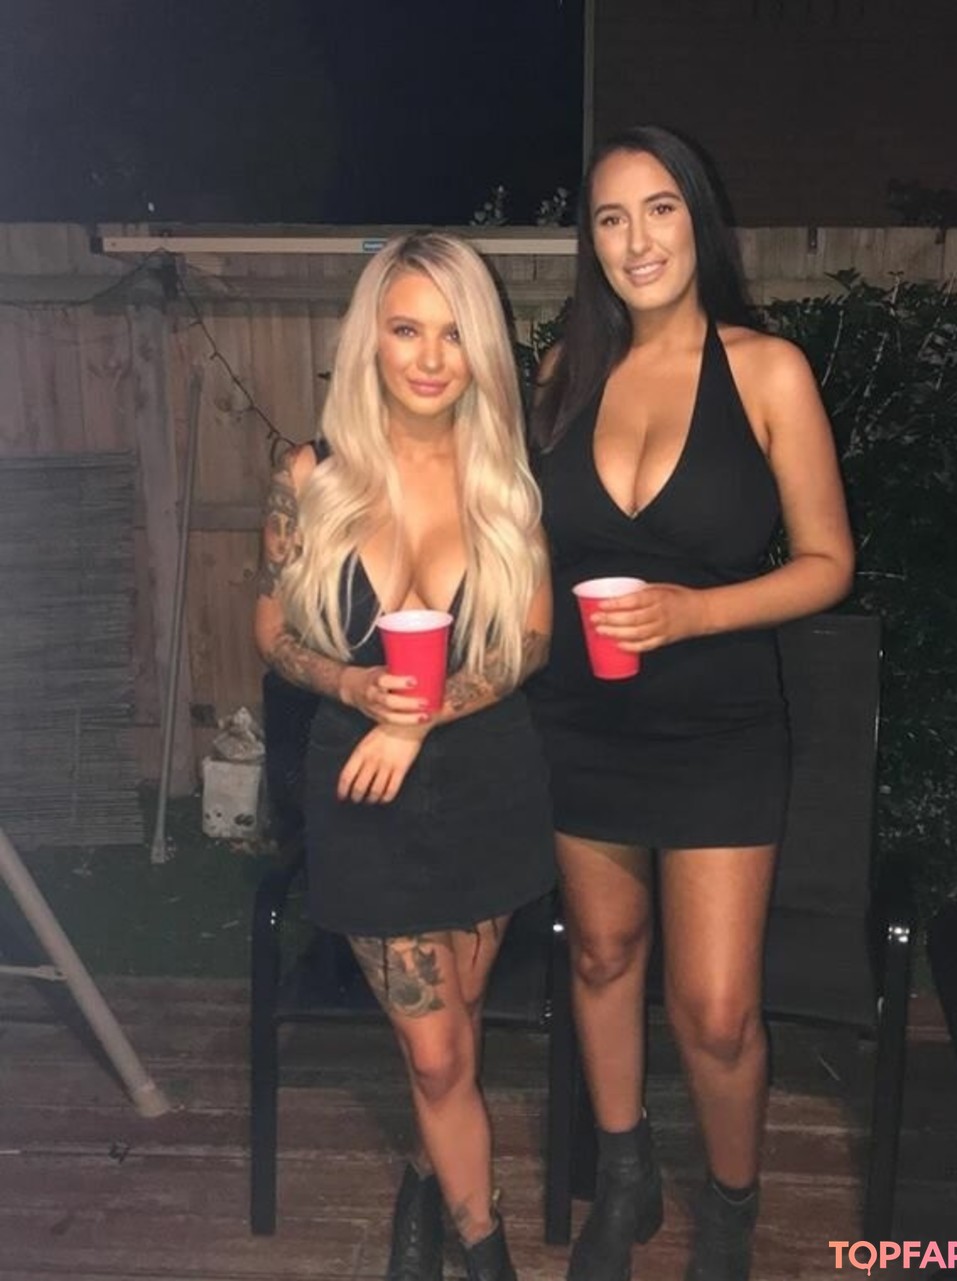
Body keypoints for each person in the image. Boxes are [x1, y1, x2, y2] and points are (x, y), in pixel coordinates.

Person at [527, 126, 855, 1281]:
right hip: (581, 719)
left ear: (698, 219)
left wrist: (695, 613)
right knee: (603, 954)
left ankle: (730, 1208)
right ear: (592, 242)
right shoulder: (565, 374)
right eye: (610, 218)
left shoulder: (768, 371)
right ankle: (626, 1173)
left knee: (714, 1009)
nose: (637, 240)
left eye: (659, 208)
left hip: (719, 725)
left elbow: (828, 563)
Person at [254, 232, 556, 1281]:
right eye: (406, 329)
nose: (430, 357)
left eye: (454, 334)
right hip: (363, 792)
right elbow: (270, 630)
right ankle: (489, 1254)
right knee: (434, 1054)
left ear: (482, 350)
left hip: (487, 783)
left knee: (456, 1036)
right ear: (370, 340)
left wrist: (419, 716)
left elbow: (531, 640)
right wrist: (351, 687)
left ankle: (430, 1184)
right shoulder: (311, 475)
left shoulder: (504, 481)